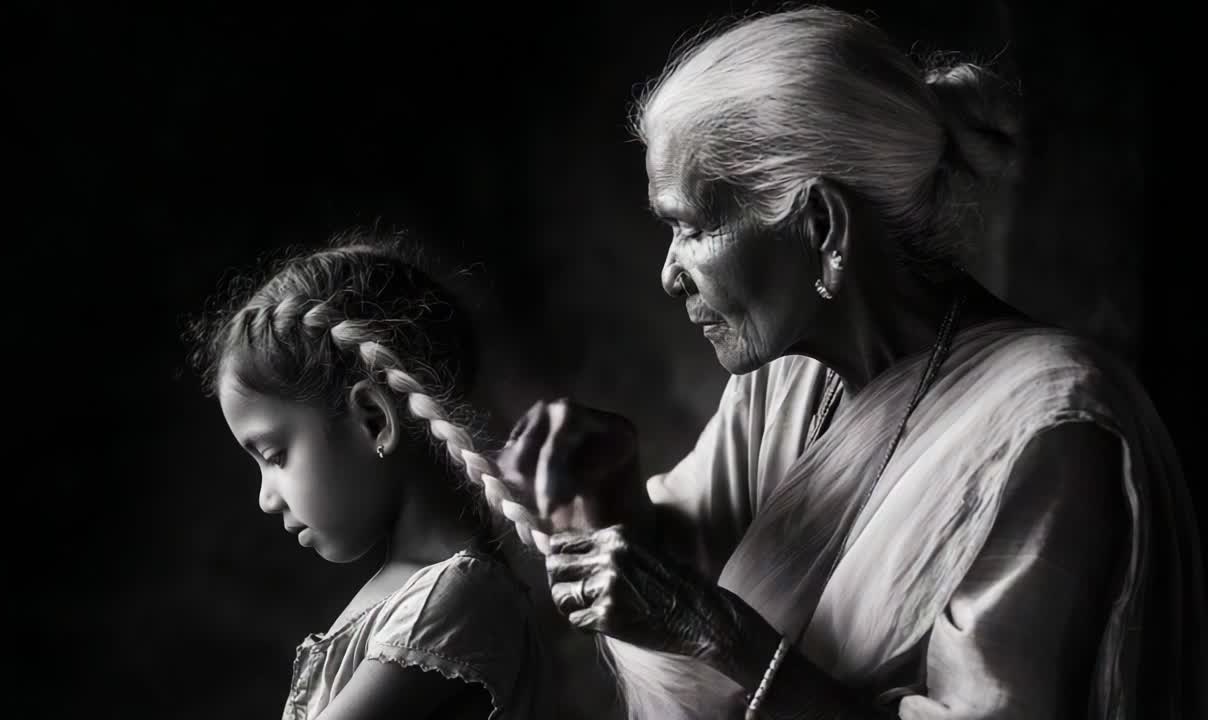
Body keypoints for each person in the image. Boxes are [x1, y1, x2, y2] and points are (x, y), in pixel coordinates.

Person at [494, 7, 1205, 719]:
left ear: (823, 226)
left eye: (691, 227)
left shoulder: (1049, 430)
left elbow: (700, 616)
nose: (669, 274)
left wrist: (716, 633)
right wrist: (614, 501)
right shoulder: (786, 382)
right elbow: (694, 570)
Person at [189, 236, 551, 720]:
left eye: (275, 455)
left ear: (373, 420)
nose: (265, 500)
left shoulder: (456, 596)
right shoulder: (418, 592)